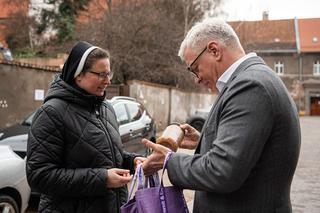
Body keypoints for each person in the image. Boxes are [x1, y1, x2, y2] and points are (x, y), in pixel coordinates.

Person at [142, 18, 301, 212]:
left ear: (214, 50)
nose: (197, 79)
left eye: (195, 68)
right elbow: (250, 151)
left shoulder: (250, 86)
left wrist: (167, 161)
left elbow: (222, 172)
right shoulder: (254, 79)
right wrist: (204, 140)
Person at [26, 41, 145, 213]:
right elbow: (39, 176)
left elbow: (105, 155)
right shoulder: (51, 113)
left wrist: (132, 161)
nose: (108, 81)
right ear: (78, 75)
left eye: (109, 73)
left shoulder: (106, 108)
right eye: (101, 74)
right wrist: (102, 179)